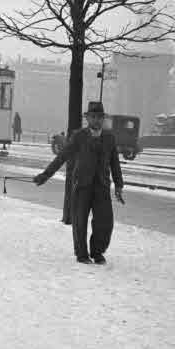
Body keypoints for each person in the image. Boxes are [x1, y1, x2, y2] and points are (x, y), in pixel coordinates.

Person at [33, 101, 125, 265]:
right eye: (93, 117)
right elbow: (62, 157)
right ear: (87, 118)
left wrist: (119, 185)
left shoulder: (110, 138)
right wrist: (45, 175)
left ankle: (97, 252)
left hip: (102, 186)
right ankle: (82, 254)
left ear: (102, 119)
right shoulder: (79, 136)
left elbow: (115, 163)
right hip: (82, 185)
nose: (96, 120)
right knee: (80, 221)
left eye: (99, 117)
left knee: (105, 222)